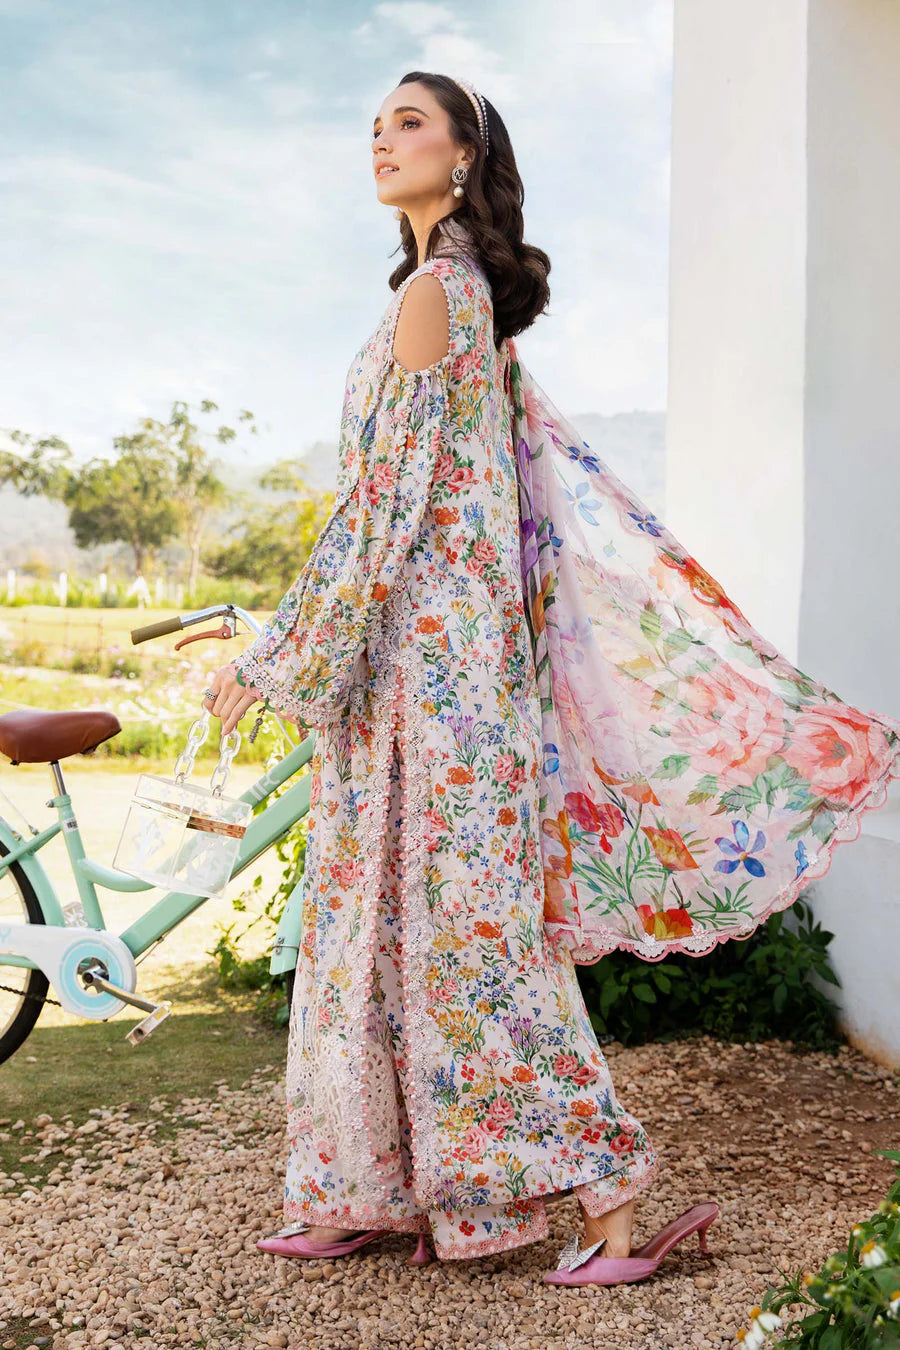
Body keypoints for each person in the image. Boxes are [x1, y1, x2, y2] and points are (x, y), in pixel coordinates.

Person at [203, 73, 900, 1284]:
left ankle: (610, 1200)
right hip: (415, 677)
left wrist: (273, 660)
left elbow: (384, 509)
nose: (381, 140)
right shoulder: (448, 297)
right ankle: (372, 1185)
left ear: (467, 154)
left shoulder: (441, 295)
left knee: (471, 949)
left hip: (436, 688)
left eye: (410, 123)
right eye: (373, 125)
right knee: (384, 933)